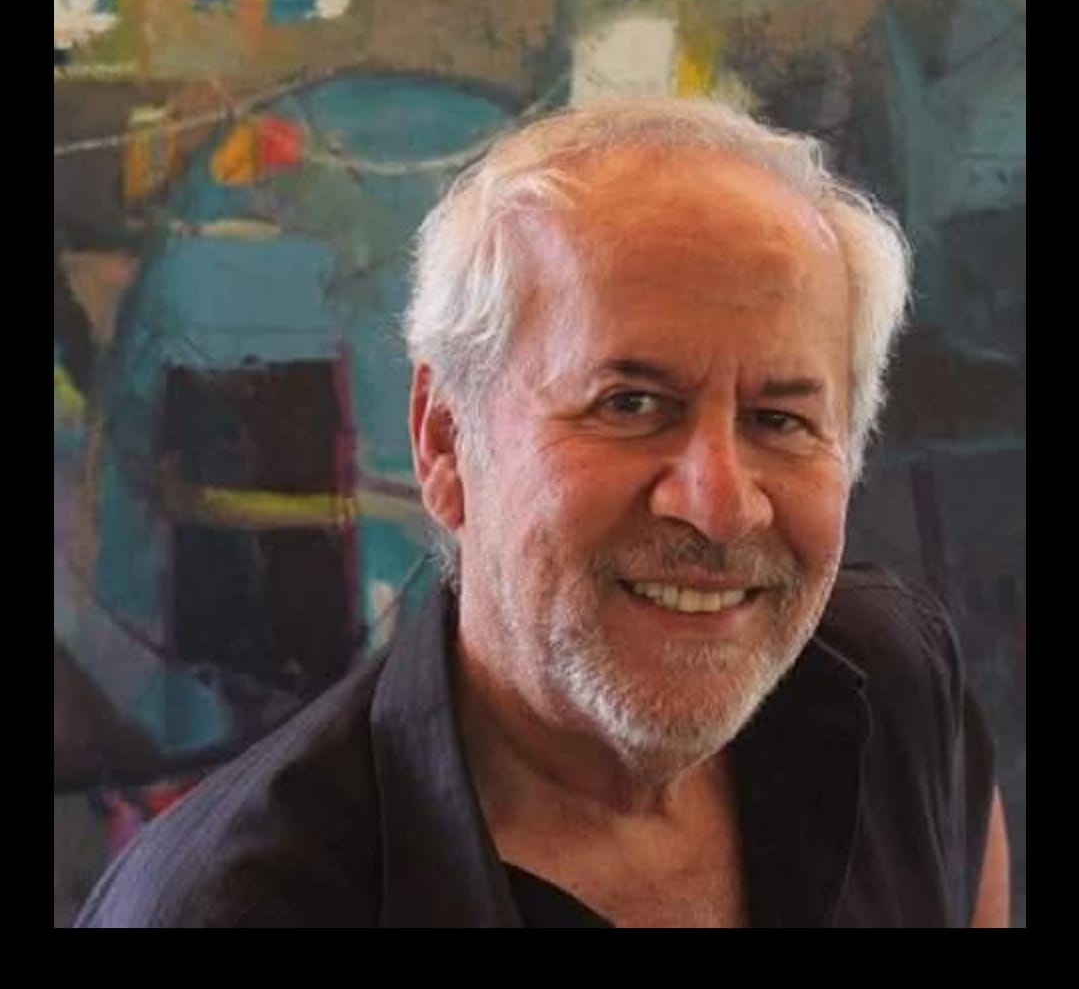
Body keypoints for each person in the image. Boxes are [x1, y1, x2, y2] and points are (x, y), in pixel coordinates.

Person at [76, 97, 1010, 928]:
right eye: (630, 405)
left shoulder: (895, 680)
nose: (721, 506)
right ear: (445, 442)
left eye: (780, 420)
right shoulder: (233, 906)